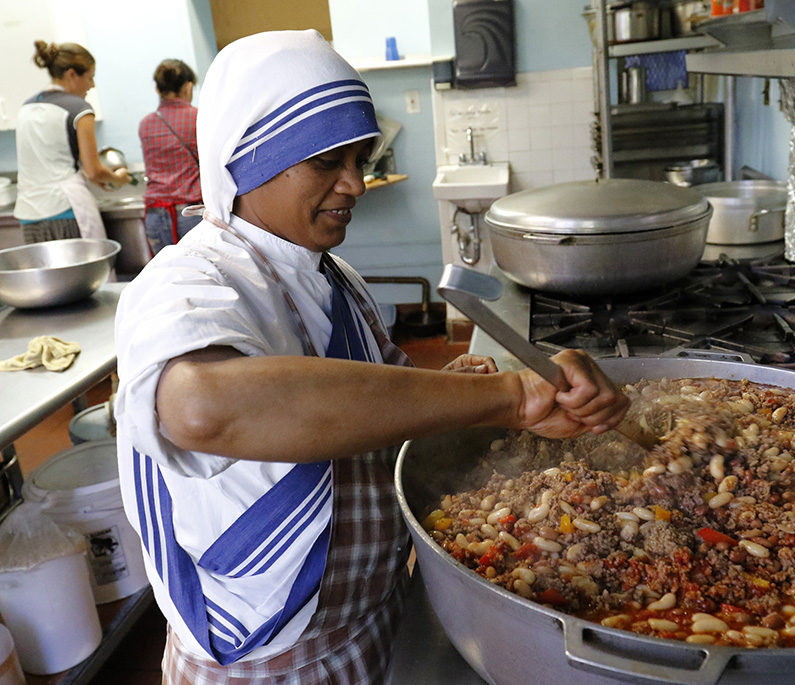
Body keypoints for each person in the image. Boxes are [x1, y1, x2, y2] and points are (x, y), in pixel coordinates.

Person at [113, 30, 629, 684]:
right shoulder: (187, 282)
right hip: (266, 666)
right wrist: (510, 398)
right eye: (328, 161)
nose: (355, 182)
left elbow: (375, 409)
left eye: (360, 156)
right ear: (248, 160)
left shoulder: (338, 278)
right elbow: (202, 406)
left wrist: (476, 396)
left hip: (378, 621)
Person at [13, 41, 132, 243]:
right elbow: (93, 171)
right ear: (72, 74)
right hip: (66, 211)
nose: (92, 85)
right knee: (83, 274)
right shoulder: (79, 109)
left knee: (45, 275)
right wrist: (118, 178)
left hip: (29, 216)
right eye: (90, 77)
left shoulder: (26, 107)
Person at [138, 58, 202, 255]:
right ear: (188, 87)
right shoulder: (199, 118)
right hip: (191, 214)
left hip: (156, 216)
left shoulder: (146, 123)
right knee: (201, 276)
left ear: (157, 89)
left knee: (169, 278)